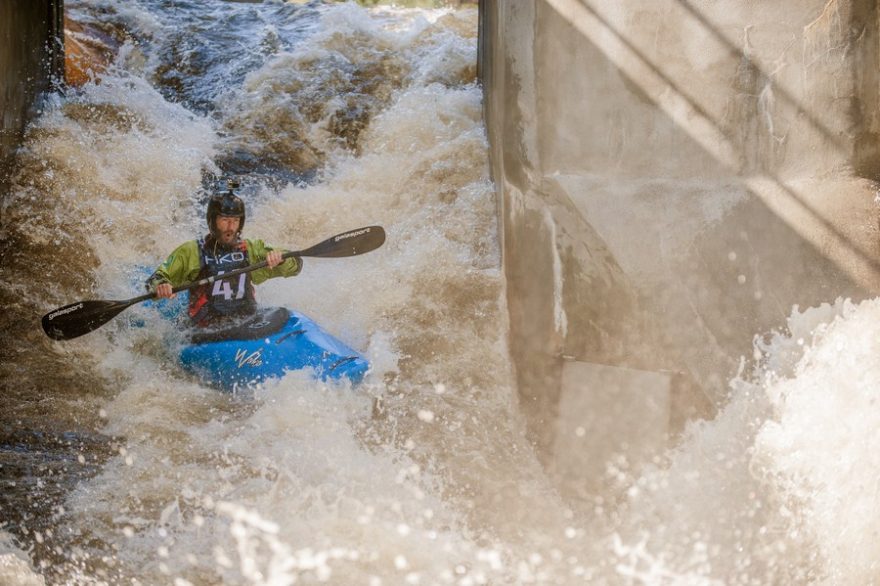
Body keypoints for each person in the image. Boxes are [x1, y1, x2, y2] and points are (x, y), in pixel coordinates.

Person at [146, 184, 301, 328]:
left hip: (247, 323)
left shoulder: (250, 249)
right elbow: (155, 280)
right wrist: (162, 286)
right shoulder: (192, 251)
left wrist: (281, 260)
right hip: (208, 329)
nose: (230, 227)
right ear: (212, 221)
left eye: (235, 221)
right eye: (225, 220)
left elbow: (295, 266)